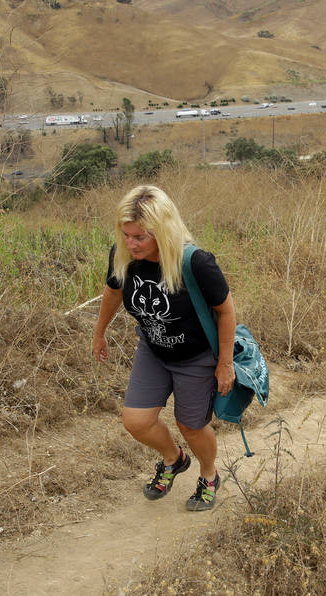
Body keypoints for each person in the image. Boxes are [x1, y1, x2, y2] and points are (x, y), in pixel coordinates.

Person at [92, 185, 236, 511]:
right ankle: (173, 459)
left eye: (140, 237)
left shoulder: (195, 262)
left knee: (191, 425)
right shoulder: (124, 255)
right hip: (153, 349)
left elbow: (226, 311)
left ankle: (209, 475)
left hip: (197, 357)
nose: (131, 244)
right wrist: (99, 332)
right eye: (126, 235)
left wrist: (224, 363)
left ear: (162, 230)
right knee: (136, 421)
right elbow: (114, 291)